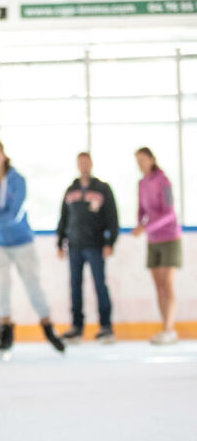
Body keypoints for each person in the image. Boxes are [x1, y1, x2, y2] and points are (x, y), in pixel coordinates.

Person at [0, 139, 65, 355]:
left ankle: (48, 325)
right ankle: (5, 329)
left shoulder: (17, 180)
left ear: (3, 155)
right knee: (1, 286)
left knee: (33, 284)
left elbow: (16, 211)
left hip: (22, 240)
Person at [55, 152, 119, 344]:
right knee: (75, 287)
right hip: (74, 246)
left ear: (91, 164)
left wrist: (110, 242)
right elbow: (63, 218)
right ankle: (76, 327)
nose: (83, 165)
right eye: (80, 162)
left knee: (100, 285)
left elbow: (112, 217)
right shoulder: (71, 190)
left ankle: (106, 327)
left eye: (86, 162)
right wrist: (60, 242)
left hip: (96, 245)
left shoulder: (102, 189)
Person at [130, 146, 182, 345]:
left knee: (167, 285)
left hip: (169, 238)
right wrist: (140, 224)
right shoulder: (141, 183)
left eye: (143, 159)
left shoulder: (164, 181)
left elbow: (169, 213)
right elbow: (141, 209)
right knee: (158, 286)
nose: (140, 164)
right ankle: (164, 327)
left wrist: (147, 227)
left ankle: (169, 329)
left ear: (152, 159)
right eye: (137, 160)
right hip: (153, 240)